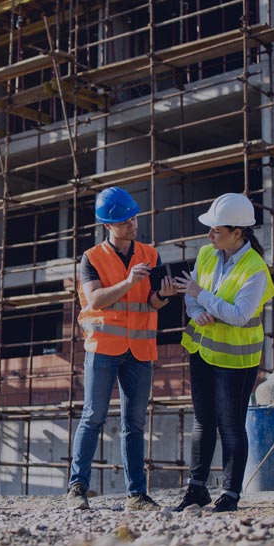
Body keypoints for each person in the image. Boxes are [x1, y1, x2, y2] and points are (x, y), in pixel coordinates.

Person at [67, 186, 178, 511]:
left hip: (140, 350)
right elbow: (96, 299)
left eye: (134, 217)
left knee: (135, 423)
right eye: (125, 220)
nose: (133, 223)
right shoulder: (92, 258)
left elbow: (151, 302)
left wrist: (165, 296)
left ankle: (137, 495)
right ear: (109, 225)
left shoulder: (150, 253)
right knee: (93, 416)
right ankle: (77, 488)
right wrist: (129, 281)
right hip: (103, 347)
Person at [172, 193, 274, 513]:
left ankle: (230, 495)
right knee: (203, 423)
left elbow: (240, 314)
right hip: (202, 350)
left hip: (236, 359)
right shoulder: (206, 254)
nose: (209, 235)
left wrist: (201, 296)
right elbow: (190, 294)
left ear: (237, 232)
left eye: (216, 230)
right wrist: (195, 310)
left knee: (231, 426)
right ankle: (197, 489)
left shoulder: (255, 268)